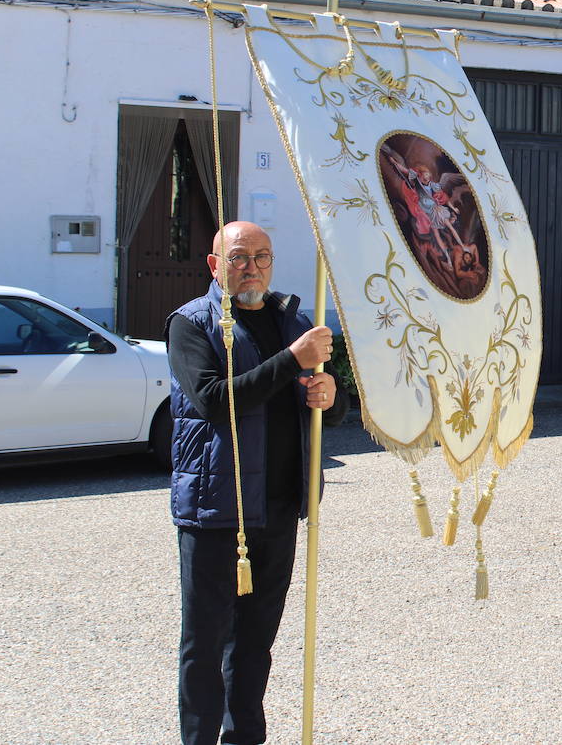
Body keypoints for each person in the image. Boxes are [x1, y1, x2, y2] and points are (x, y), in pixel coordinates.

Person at [168, 221, 345, 745]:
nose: (252, 268)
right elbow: (213, 401)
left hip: (280, 505)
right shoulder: (192, 324)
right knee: (205, 640)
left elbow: (323, 410)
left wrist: (330, 397)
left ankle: (245, 736)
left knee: (255, 640)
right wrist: (293, 360)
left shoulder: (292, 320)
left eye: (262, 257)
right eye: (240, 257)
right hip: (217, 507)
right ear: (214, 264)